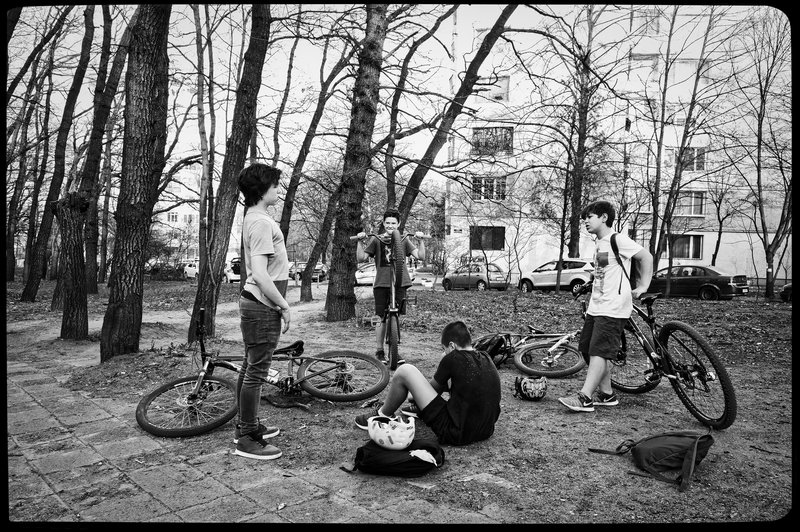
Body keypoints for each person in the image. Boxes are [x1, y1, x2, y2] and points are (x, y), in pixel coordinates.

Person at [558, 200, 653, 413]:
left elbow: (646, 257)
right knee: (587, 349)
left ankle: (585, 397)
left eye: (589, 217)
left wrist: (643, 286)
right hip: (597, 305)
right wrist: (589, 282)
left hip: (613, 305)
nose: (585, 222)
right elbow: (602, 269)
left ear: (604, 217)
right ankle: (606, 394)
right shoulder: (601, 243)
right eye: (584, 219)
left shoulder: (617, 239)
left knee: (600, 351)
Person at [354, 320, 501, 446]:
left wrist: (413, 396)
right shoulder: (486, 357)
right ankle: (418, 410)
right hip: (486, 430)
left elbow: (432, 388)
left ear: (452, 345)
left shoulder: (454, 358)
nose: (444, 352)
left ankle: (382, 414)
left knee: (405, 371)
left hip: (456, 433)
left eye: (444, 349)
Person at [235, 163, 292, 460]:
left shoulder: (256, 218)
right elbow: (259, 273)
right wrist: (283, 305)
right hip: (262, 306)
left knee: (250, 367)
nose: (278, 189)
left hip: (257, 304)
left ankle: (247, 425)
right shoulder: (259, 222)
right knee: (256, 371)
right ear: (262, 189)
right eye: (274, 184)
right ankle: (247, 437)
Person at [355, 208, 425, 365]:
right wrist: (360, 241)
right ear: (383, 223)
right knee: (380, 317)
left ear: (398, 224)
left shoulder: (403, 240)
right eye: (387, 223)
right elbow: (361, 258)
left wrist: (421, 240)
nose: (390, 226)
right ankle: (380, 351)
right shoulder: (377, 240)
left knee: (396, 316)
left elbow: (420, 256)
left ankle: (394, 350)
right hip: (382, 283)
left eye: (393, 223)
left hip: (400, 282)